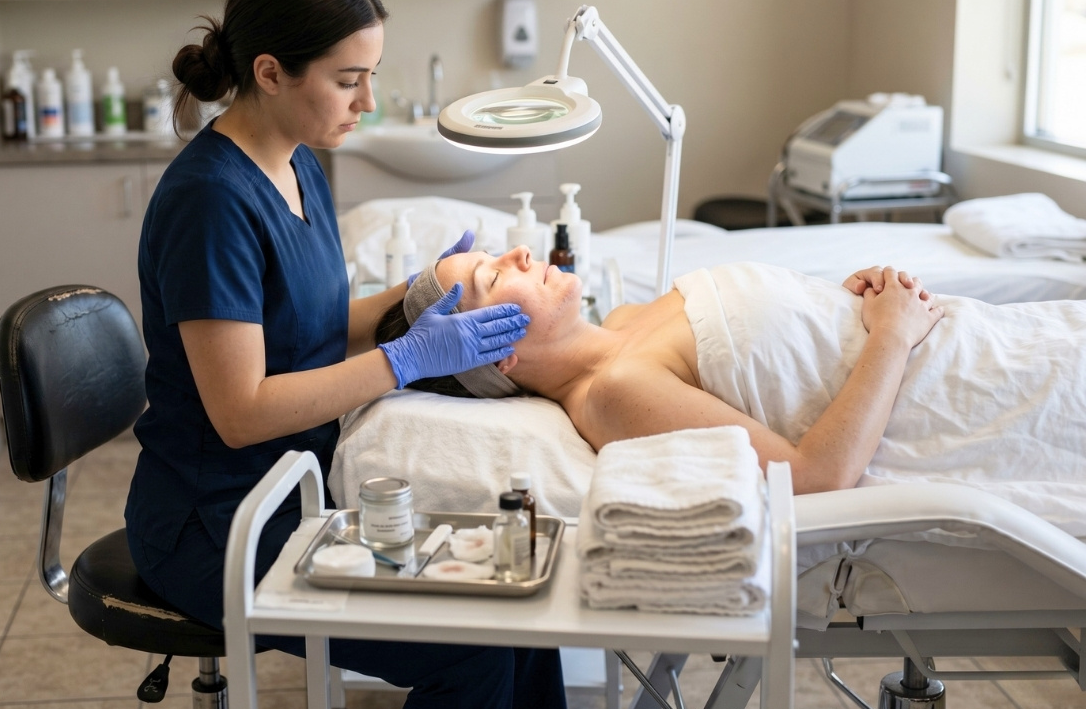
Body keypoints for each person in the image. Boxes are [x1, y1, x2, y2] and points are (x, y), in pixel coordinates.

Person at [124, 0, 569, 709]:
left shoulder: (298, 166)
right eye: (347, 78)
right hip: (218, 524)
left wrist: (424, 289)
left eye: (370, 74)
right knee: (477, 651)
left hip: (295, 488)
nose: (367, 100)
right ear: (270, 73)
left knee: (518, 604)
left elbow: (317, 322)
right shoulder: (210, 203)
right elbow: (243, 410)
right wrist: (407, 358)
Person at [377, 245, 1086, 499]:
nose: (526, 252)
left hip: (970, 338)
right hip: (973, 393)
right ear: (500, 350)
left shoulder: (625, 320)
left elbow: (774, 364)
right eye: (497, 274)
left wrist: (836, 306)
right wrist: (890, 337)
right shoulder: (615, 392)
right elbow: (814, 477)